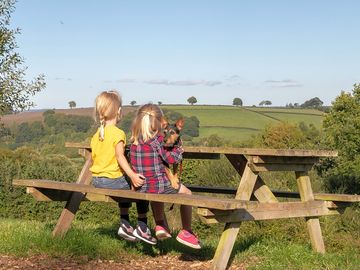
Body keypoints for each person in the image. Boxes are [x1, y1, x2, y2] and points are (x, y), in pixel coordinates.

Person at [129, 103, 201, 249]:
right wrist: (179, 151)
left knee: (156, 192)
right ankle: (186, 231)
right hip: (157, 186)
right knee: (187, 194)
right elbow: (171, 160)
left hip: (140, 187)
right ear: (157, 122)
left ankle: (160, 225)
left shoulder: (134, 141)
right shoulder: (157, 142)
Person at [90, 90, 157, 245]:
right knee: (141, 184)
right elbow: (120, 157)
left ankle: (125, 224)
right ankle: (142, 225)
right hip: (112, 181)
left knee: (126, 181)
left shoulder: (96, 134)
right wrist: (133, 175)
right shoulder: (118, 133)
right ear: (119, 112)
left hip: (97, 180)